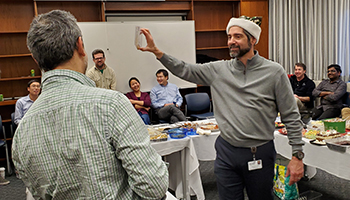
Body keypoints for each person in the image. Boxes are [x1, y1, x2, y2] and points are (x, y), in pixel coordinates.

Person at [139, 16, 304, 200]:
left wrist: (297, 155)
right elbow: (185, 69)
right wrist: (158, 53)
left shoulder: (274, 72)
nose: (231, 41)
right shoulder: (218, 70)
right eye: (229, 36)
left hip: (260, 153)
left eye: (238, 36)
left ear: (253, 40)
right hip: (227, 152)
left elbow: (290, 115)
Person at [12, 10, 168, 200]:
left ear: (36, 60)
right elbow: (153, 187)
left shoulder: (21, 132)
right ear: (80, 45)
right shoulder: (112, 105)